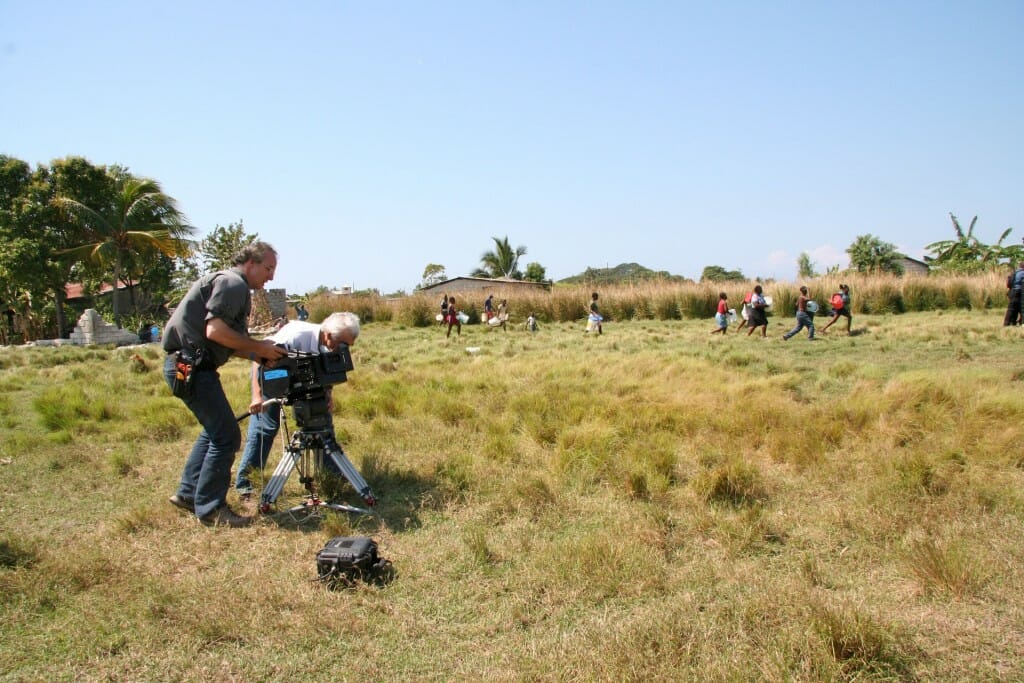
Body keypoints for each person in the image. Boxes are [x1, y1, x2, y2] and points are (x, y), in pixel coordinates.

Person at [162, 241, 288, 528]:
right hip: (193, 367)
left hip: (184, 365)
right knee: (226, 436)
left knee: (214, 430)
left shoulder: (229, 283)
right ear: (251, 264)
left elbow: (228, 342)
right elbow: (216, 331)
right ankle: (210, 508)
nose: (271, 277)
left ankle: (189, 493)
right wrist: (258, 345)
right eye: (268, 269)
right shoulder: (234, 284)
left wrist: (261, 354)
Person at [235, 312, 360, 498]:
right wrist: (257, 396)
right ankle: (246, 484)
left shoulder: (332, 346)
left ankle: (332, 479)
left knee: (322, 424)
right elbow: (258, 361)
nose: (343, 349)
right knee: (265, 428)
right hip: (273, 376)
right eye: (342, 344)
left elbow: (327, 372)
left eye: (348, 346)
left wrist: (327, 394)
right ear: (328, 335)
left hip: (304, 380)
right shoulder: (296, 336)